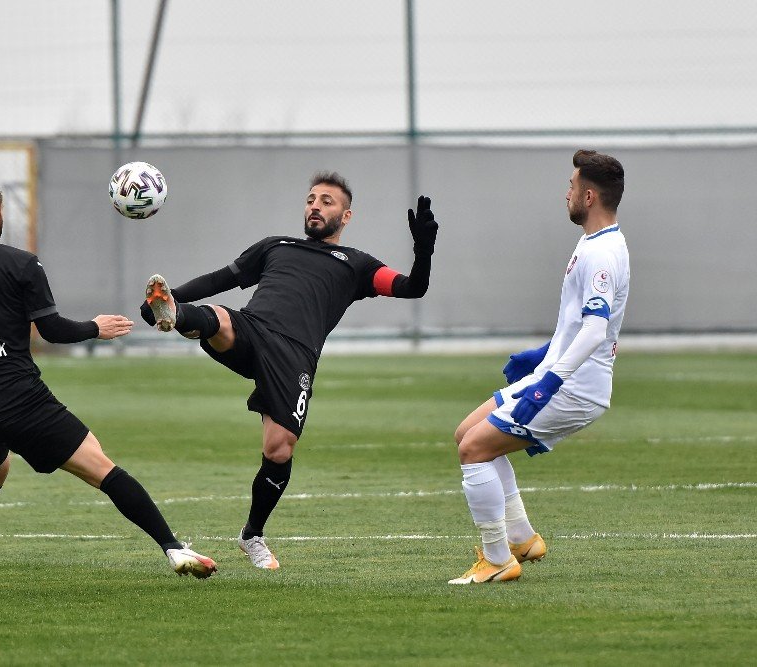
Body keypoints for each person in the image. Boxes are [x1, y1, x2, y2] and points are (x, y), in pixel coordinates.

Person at [0, 179, 217, 589]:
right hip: (19, 399)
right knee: (101, 467)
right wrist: (96, 327)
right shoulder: (21, 263)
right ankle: (174, 547)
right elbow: (51, 329)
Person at [141, 172, 438, 569]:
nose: (316, 205)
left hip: (295, 357)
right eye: (311, 199)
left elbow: (412, 287)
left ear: (346, 216)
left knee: (278, 449)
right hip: (253, 329)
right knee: (218, 318)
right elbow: (219, 280)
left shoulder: (357, 264)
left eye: (327, 201)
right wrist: (171, 296)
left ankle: (252, 535)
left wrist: (425, 249)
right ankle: (173, 315)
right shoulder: (274, 246)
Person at [449, 150, 629, 584]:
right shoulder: (595, 243)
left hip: (573, 389)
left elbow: (594, 330)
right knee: (466, 434)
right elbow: (579, 323)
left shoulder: (601, 253)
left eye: (571, 186)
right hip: (559, 375)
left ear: (588, 196)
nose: (565, 193)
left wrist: (546, 381)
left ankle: (497, 560)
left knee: (473, 450)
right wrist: (545, 353)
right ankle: (523, 539)